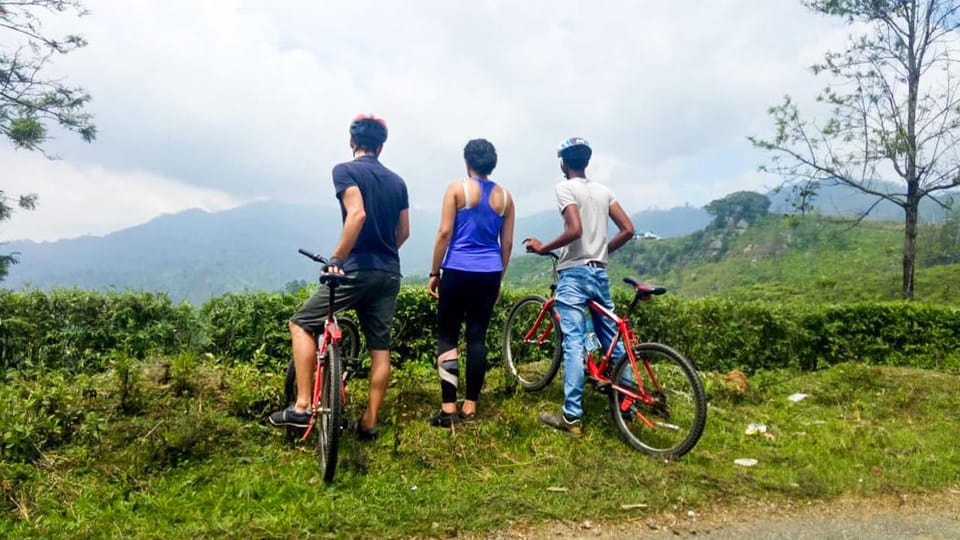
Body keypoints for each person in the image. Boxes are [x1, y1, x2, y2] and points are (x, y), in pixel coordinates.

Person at [268, 114, 409, 441]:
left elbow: (357, 214)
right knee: (380, 349)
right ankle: (369, 423)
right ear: (381, 147)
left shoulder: (344, 171)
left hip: (356, 269)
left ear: (351, 142)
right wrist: (384, 253)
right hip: (389, 272)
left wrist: (338, 259)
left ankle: (302, 406)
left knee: (301, 323)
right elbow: (404, 232)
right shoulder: (398, 182)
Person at [522, 137, 634, 438]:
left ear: (563, 163)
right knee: (613, 340)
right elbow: (629, 229)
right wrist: (602, 252)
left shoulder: (565, 188)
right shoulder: (603, 191)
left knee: (573, 342)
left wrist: (544, 246)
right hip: (600, 273)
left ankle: (572, 417)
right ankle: (629, 403)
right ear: (586, 161)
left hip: (574, 275)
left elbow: (574, 230)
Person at [427, 138, 515, 428]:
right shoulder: (506, 198)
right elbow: (508, 242)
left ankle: (448, 407)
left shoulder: (456, 190)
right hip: (489, 273)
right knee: (477, 337)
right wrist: (498, 277)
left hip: (457, 270)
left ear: (467, 162)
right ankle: (471, 406)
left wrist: (434, 272)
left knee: (447, 335)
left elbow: (443, 233)